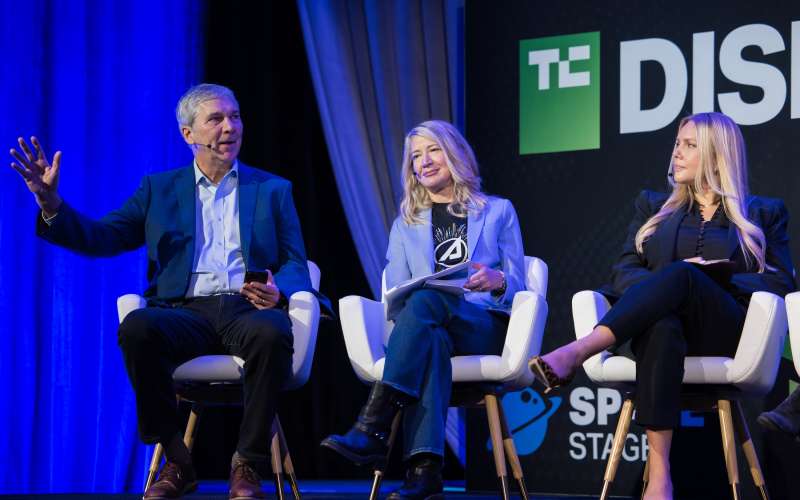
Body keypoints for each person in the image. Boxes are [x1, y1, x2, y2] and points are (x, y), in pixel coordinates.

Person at [9, 83, 326, 500]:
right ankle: (178, 460)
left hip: (246, 308)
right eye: (216, 119)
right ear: (188, 134)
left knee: (273, 332)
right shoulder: (157, 190)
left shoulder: (272, 189)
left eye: (235, 116)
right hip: (185, 310)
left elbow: (295, 262)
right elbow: (103, 237)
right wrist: (51, 204)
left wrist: (278, 290)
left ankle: (247, 464)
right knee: (137, 328)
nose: (230, 127)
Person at [528, 112, 795, 500]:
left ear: (717, 155)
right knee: (664, 323)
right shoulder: (652, 208)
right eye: (677, 144)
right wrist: (670, 284)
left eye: (690, 146)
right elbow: (622, 273)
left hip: (723, 329)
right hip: (657, 326)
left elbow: (781, 282)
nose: (677, 153)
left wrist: (710, 278)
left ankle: (580, 349)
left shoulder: (763, 213)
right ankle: (659, 475)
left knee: (684, 275)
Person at [321, 120, 526, 500]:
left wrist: (497, 280)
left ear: (455, 155)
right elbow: (396, 294)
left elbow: (520, 287)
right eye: (416, 156)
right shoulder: (406, 224)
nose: (425, 161)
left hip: (483, 325)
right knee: (429, 331)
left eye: (433, 150)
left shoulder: (497, 211)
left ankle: (374, 423)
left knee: (427, 301)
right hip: (430, 325)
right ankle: (425, 472)